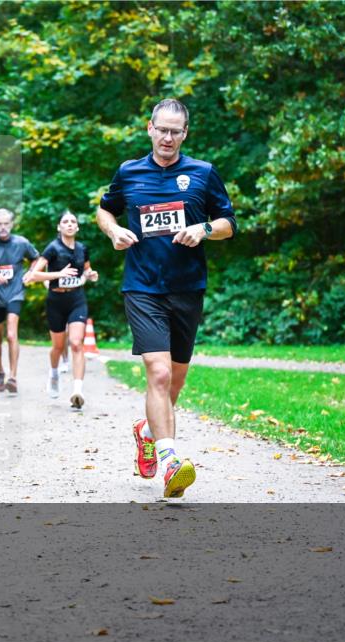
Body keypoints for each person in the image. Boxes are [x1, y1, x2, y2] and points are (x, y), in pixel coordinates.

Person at [96, 98, 236, 499]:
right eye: (162, 130)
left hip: (187, 287)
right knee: (157, 374)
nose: (168, 138)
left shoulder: (203, 173)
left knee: (173, 382)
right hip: (142, 287)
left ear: (185, 133)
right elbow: (105, 211)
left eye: (176, 131)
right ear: (150, 128)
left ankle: (147, 430)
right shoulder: (129, 172)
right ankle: (171, 462)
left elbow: (229, 223)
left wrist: (204, 229)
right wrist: (113, 231)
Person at [23, 211, 98, 411]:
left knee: (76, 343)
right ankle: (54, 373)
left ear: (77, 227)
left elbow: (87, 269)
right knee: (57, 347)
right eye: (65, 222)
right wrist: (59, 274)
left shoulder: (82, 249)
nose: (70, 224)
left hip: (77, 299)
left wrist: (91, 274)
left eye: (73, 221)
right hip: (56, 300)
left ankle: (77, 391)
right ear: (59, 227)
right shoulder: (53, 248)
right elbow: (34, 275)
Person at [0, 208, 39, 394]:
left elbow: (37, 258)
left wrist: (30, 273)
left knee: (11, 334)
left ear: (12, 224)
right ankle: (0, 371)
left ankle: (13, 377)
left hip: (15, 293)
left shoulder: (21, 242)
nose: (3, 227)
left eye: (6, 224)